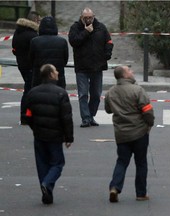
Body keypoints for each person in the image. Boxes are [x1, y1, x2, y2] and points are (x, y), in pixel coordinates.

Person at [24, 64, 74, 205]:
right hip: (55, 135)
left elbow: (28, 115)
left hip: (39, 134)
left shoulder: (33, 92)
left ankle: (46, 192)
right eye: (55, 71)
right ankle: (47, 183)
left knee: (42, 164)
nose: (58, 72)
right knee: (57, 163)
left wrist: (35, 128)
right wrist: (68, 137)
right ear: (51, 75)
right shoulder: (60, 93)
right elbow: (66, 117)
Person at [104, 66, 154, 203]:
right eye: (129, 71)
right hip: (139, 132)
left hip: (121, 133)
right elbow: (147, 110)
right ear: (124, 75)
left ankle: (115, 187)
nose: (132, 72)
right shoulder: (137, 90)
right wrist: (149, 123)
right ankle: (141, 193)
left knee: (122, 161)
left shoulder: (111, 92)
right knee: (141, 163)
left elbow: (108, 110)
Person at [68, 7, 114, 127]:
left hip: (97, 66)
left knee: (96, 94)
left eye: (90, 18)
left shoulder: (101, 27)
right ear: (81, 17)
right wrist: (86, 32)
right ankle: (86, 118)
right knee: (83, 94)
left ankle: (91, 115)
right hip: (82, 66)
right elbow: (73, 41)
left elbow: (108, 41)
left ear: (94, 16)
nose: (88, 20)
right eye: (85, 18)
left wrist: (107, 54)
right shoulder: (75, 28)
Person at [12, 11, 40, 125]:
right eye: (38, 20)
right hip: (30, 66)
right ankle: (26, 116)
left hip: (22, 64)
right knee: (29, 91)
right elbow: (36, 51)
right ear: (34, 21)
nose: (39, 23)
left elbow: (14, 49)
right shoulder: (32, 35)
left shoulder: (18, 32)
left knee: (28, 89)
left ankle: (27, 115)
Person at [30, 16, 68, 88]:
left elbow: (31, 59)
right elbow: (65, 60)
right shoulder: (62, 41)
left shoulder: (34, 41)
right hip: (57, 76)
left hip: (39, 76)